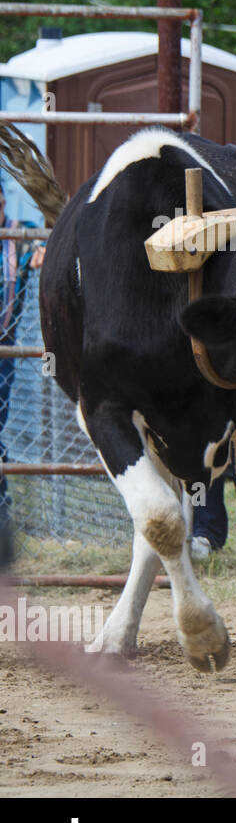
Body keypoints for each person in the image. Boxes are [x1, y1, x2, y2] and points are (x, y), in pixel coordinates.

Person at [0, 184, 44, 562]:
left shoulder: (17, 234)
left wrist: (39, 251)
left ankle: (2, 509)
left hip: (4, 353)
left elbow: (39, 241)